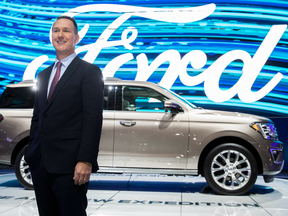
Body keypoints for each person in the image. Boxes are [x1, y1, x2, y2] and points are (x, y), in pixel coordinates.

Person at [24, 15, 104, 216]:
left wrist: (86, 160)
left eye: (66, 31)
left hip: (70, 165)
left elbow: (93, 120)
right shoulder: (43, 75)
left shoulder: (89, 72)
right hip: (40, 163)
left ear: (76, 38)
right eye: (56, 30)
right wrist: (31, 151)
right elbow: (38, 117)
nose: (60, 35)